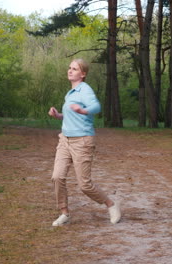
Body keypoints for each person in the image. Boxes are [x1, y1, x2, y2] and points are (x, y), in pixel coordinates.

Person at [48, 58, 121, 226]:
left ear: (83, 74)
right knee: (57, 177)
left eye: (74, 69)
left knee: (85, 185)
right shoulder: (70, 93)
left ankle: (111, 204)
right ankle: (64, 213)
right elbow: (69, 115)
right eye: (69, 68)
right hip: (65, 140)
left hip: (82, 141)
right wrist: (58, 115)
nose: (70, 70)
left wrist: (83, 110)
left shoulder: (85, 90)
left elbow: (96, 107)